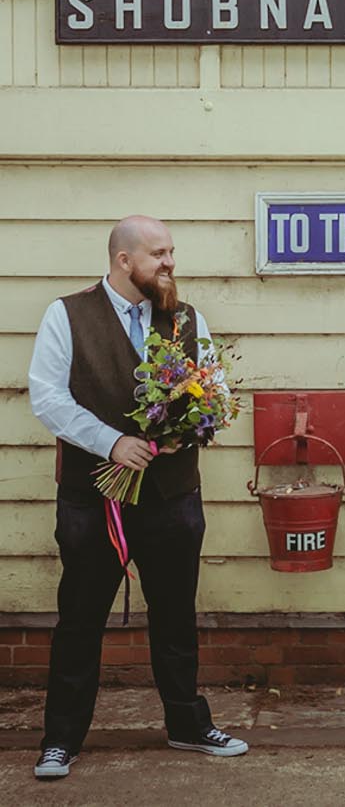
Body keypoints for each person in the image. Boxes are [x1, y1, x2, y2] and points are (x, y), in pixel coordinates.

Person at [25, 216, 251, 782]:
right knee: (80, 618)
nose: (170, 263)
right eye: (158, 253)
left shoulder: (187, 319)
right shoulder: (67, 314)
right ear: (124, 260)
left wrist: (193, 423)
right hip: (91, 497)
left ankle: (187, 726)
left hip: (174, 495)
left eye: (172, 251)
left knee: (175, 614)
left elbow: (215, 387)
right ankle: (60, 740)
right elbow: (47, 397)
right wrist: (113, 442)